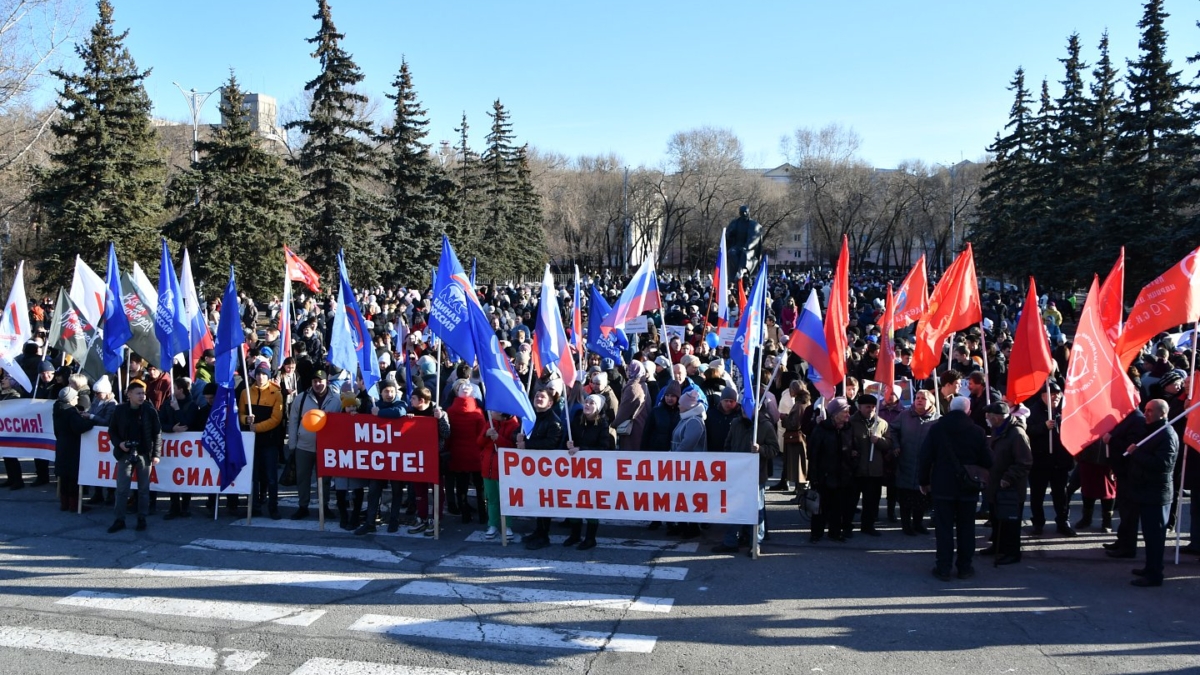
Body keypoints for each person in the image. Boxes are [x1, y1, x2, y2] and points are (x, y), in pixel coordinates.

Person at [920, 396, 992, 581]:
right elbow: (988, 461)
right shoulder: (977, 431)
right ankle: (964, 567)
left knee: (943, 529)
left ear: (950, 409)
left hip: (943, 485)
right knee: (966, 528)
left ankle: (943, 567)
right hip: (968, 487)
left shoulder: (937, 429)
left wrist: (923, 482)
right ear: (968, 411)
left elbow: (925, 457)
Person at [711, 399, 780, 555]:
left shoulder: (765, 426)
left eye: (749, 407)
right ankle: (730, 541)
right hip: (737, 475)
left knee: (756, 510)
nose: (744, 410)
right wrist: (730, 463)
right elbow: (728, 445)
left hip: (756, 475)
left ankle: (755, 542)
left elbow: (774, 449)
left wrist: (761, 449)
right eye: (743, 407)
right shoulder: (736, 424)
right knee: (734, 508)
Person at [1126, 399, 1179, 587]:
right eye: (1145, 410)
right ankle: (1150, 567)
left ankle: (1155, 574)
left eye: (1150, 411)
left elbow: (1163, 464)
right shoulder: (1152, 431)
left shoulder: (1166, 435)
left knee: (1156, 537)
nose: (1146, 414)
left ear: (1162, 413)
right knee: (1149, 535)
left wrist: (1136, 453)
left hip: (1157, 494)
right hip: (1146, 491)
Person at [979, 401, 1032, 565]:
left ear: (997, 417)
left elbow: (1025, 462)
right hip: (996, 485)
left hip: (1010, 488)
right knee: (997, 518)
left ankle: (1012, 553)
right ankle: (997, 546)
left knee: (1010, 523)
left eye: (989, 416)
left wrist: (1008, 478)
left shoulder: (1016, 434)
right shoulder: (998, 430)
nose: (986, 418)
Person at [285, 369, 342, 519]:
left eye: (320, 381)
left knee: (325, 479)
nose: (318, 384)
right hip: (304, 446)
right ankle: (303, 506)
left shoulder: (336, 400)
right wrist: (292, 444)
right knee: (303, 478)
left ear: (326, 382)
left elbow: (341, 424)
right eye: (315, 381)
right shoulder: (301, 398)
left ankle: (324, 506)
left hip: (326, 448)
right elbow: (293, 421)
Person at [106, 381, 162, 533]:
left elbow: (157, 433)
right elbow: (112, 431)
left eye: (143, 393)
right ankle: (119, 519)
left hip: (144, 453)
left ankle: (141, 518)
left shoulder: (149, 410)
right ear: (129, 394)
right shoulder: (119, 410)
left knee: (144, 489)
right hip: (125, 453)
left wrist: (156, 454)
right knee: (122, 488)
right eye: (138, 393)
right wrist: (119, 444)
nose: (142, 396)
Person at [354, 379, 409, 534]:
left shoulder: (401, 404)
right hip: (378, 458)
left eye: (392, 391)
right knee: (373, 490)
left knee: (397, 490)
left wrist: (380, 414)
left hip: (396, 457)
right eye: (386, 391)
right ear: (381, 392)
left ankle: (394, 520)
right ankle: (370, 521)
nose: (389, 394)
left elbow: (399, 413)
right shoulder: (374, 405)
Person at [565, 394, 617, 549]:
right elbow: (570, 442)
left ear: (598, 407)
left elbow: (603, 447)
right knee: (575, 501)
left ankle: (590, 538)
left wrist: (581, 449)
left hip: (593, 473)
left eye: (591, 403)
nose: (587, 405)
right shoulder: (576, 420)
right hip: (576, 470)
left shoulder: (602, 425)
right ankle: (575, 535)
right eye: (586, 402)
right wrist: (568, 445)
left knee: (590, 503)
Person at [1027, 381, 1076, 536]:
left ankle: (1063, 522)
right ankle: (1038, 522)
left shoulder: (1065, 410)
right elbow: (1026, 432)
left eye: (1058, 394)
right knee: (1037, 494)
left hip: (1060, 461)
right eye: (1052, 394)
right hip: (1040, 460)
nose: (1055, 397)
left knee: (1061, 494)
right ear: (1043, 396)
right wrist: (1043, 427)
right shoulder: (1033, 411)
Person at [520, 387, 566, 550]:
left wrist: (527, 445)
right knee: (537, 499)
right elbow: (518, 433)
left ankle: (544, 535)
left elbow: (551, 443)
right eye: (537, 396)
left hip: (547, 469)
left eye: (542, 397)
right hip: (534, 468)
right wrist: (517, 438)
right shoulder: (531, 417)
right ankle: (538, 530)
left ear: (550, 402)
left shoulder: (553, 421)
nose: (538, 399)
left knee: (545, 501)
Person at [890, 389, 939, 536]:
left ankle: (918, 523)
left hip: (925, 466)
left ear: (931, 402)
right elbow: (892, 430)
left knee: (922, 497)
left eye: (923, 398)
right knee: (905, 497)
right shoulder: (904, 415)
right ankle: (906, 525)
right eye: (917, 398)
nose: (919, 400)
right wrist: (896, 445)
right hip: (906, 461)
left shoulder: (937, 419)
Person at [240, 361, 285, 519]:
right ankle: (255, 506)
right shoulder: (246, 392)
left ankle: (273, 507)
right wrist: (247, 420)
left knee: (271, 477)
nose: (261, 377)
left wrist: (257, 427)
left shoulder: (276, 393)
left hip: (269, 442)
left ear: (268, 376)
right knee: (254, 477)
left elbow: (276, 419)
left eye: (264, 374)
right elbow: (240, 414)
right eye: (258, 374)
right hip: (251, 442)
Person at [407, 386, 451, 535]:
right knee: (419, 489)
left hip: (434, 457)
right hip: (417, 456)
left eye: (413, 398)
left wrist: (439, 420)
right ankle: (422, 516)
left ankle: (436, 518)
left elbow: (446, 433)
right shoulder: (410, 412)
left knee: (437, 489)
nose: (410, 401)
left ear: (422, 400)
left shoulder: (438, 412)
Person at [849, 393, 892, 536]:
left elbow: (889, 444)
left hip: (874, 471)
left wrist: (879, 441)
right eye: (868, 407)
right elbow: (844, 441)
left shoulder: (882, 423)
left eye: (873, 407)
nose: (871, 409)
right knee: (851, 500)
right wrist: (851, 451)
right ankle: (846, 525)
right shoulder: (851, 422)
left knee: (872, 501)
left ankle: (868, 525)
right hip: (856, 469)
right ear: (860, 407)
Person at [446, 379, 488, 525]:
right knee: (479, 486)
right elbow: (482, 435)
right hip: (476, 454)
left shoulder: (450, 411)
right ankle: (483, 515)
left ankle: (465, 514)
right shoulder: (477, 413)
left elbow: (448, 435)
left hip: (458, 453)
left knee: (461, 486)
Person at [159, 378, 199, 520]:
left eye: (174, 388)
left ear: (181, 390)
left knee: (186, 475)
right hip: (172, 447)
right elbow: (160, 422)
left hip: (187, 449)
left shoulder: (192, 405)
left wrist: (177, 409)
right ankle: (174, 506)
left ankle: (186, 506)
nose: (171, 391)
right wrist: (171, 429)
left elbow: (186, 423)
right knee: (172, 475)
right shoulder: (167, 403)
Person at [52, 387, 96, 513]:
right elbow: (79, 427)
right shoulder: (70, 411)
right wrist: (91, 422)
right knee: (73, 476)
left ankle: (64, 503)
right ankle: (74, 505)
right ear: (70, 399)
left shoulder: (57, 408)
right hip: (72, 446)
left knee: (64, 476)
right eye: (75, 396)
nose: (77, 398)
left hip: (61, 444)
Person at [480, 410, 520, 540]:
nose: (491, 411)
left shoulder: (514, 426)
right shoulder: (489, 423)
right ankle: (493, 524)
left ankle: (507, 525)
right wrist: (485, 435)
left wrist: (499, 439)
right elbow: (479, 442)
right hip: (488, 468)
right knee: (492, 499)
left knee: (506, 499)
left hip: (504, 469)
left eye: (495, 410)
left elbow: (513, 447)